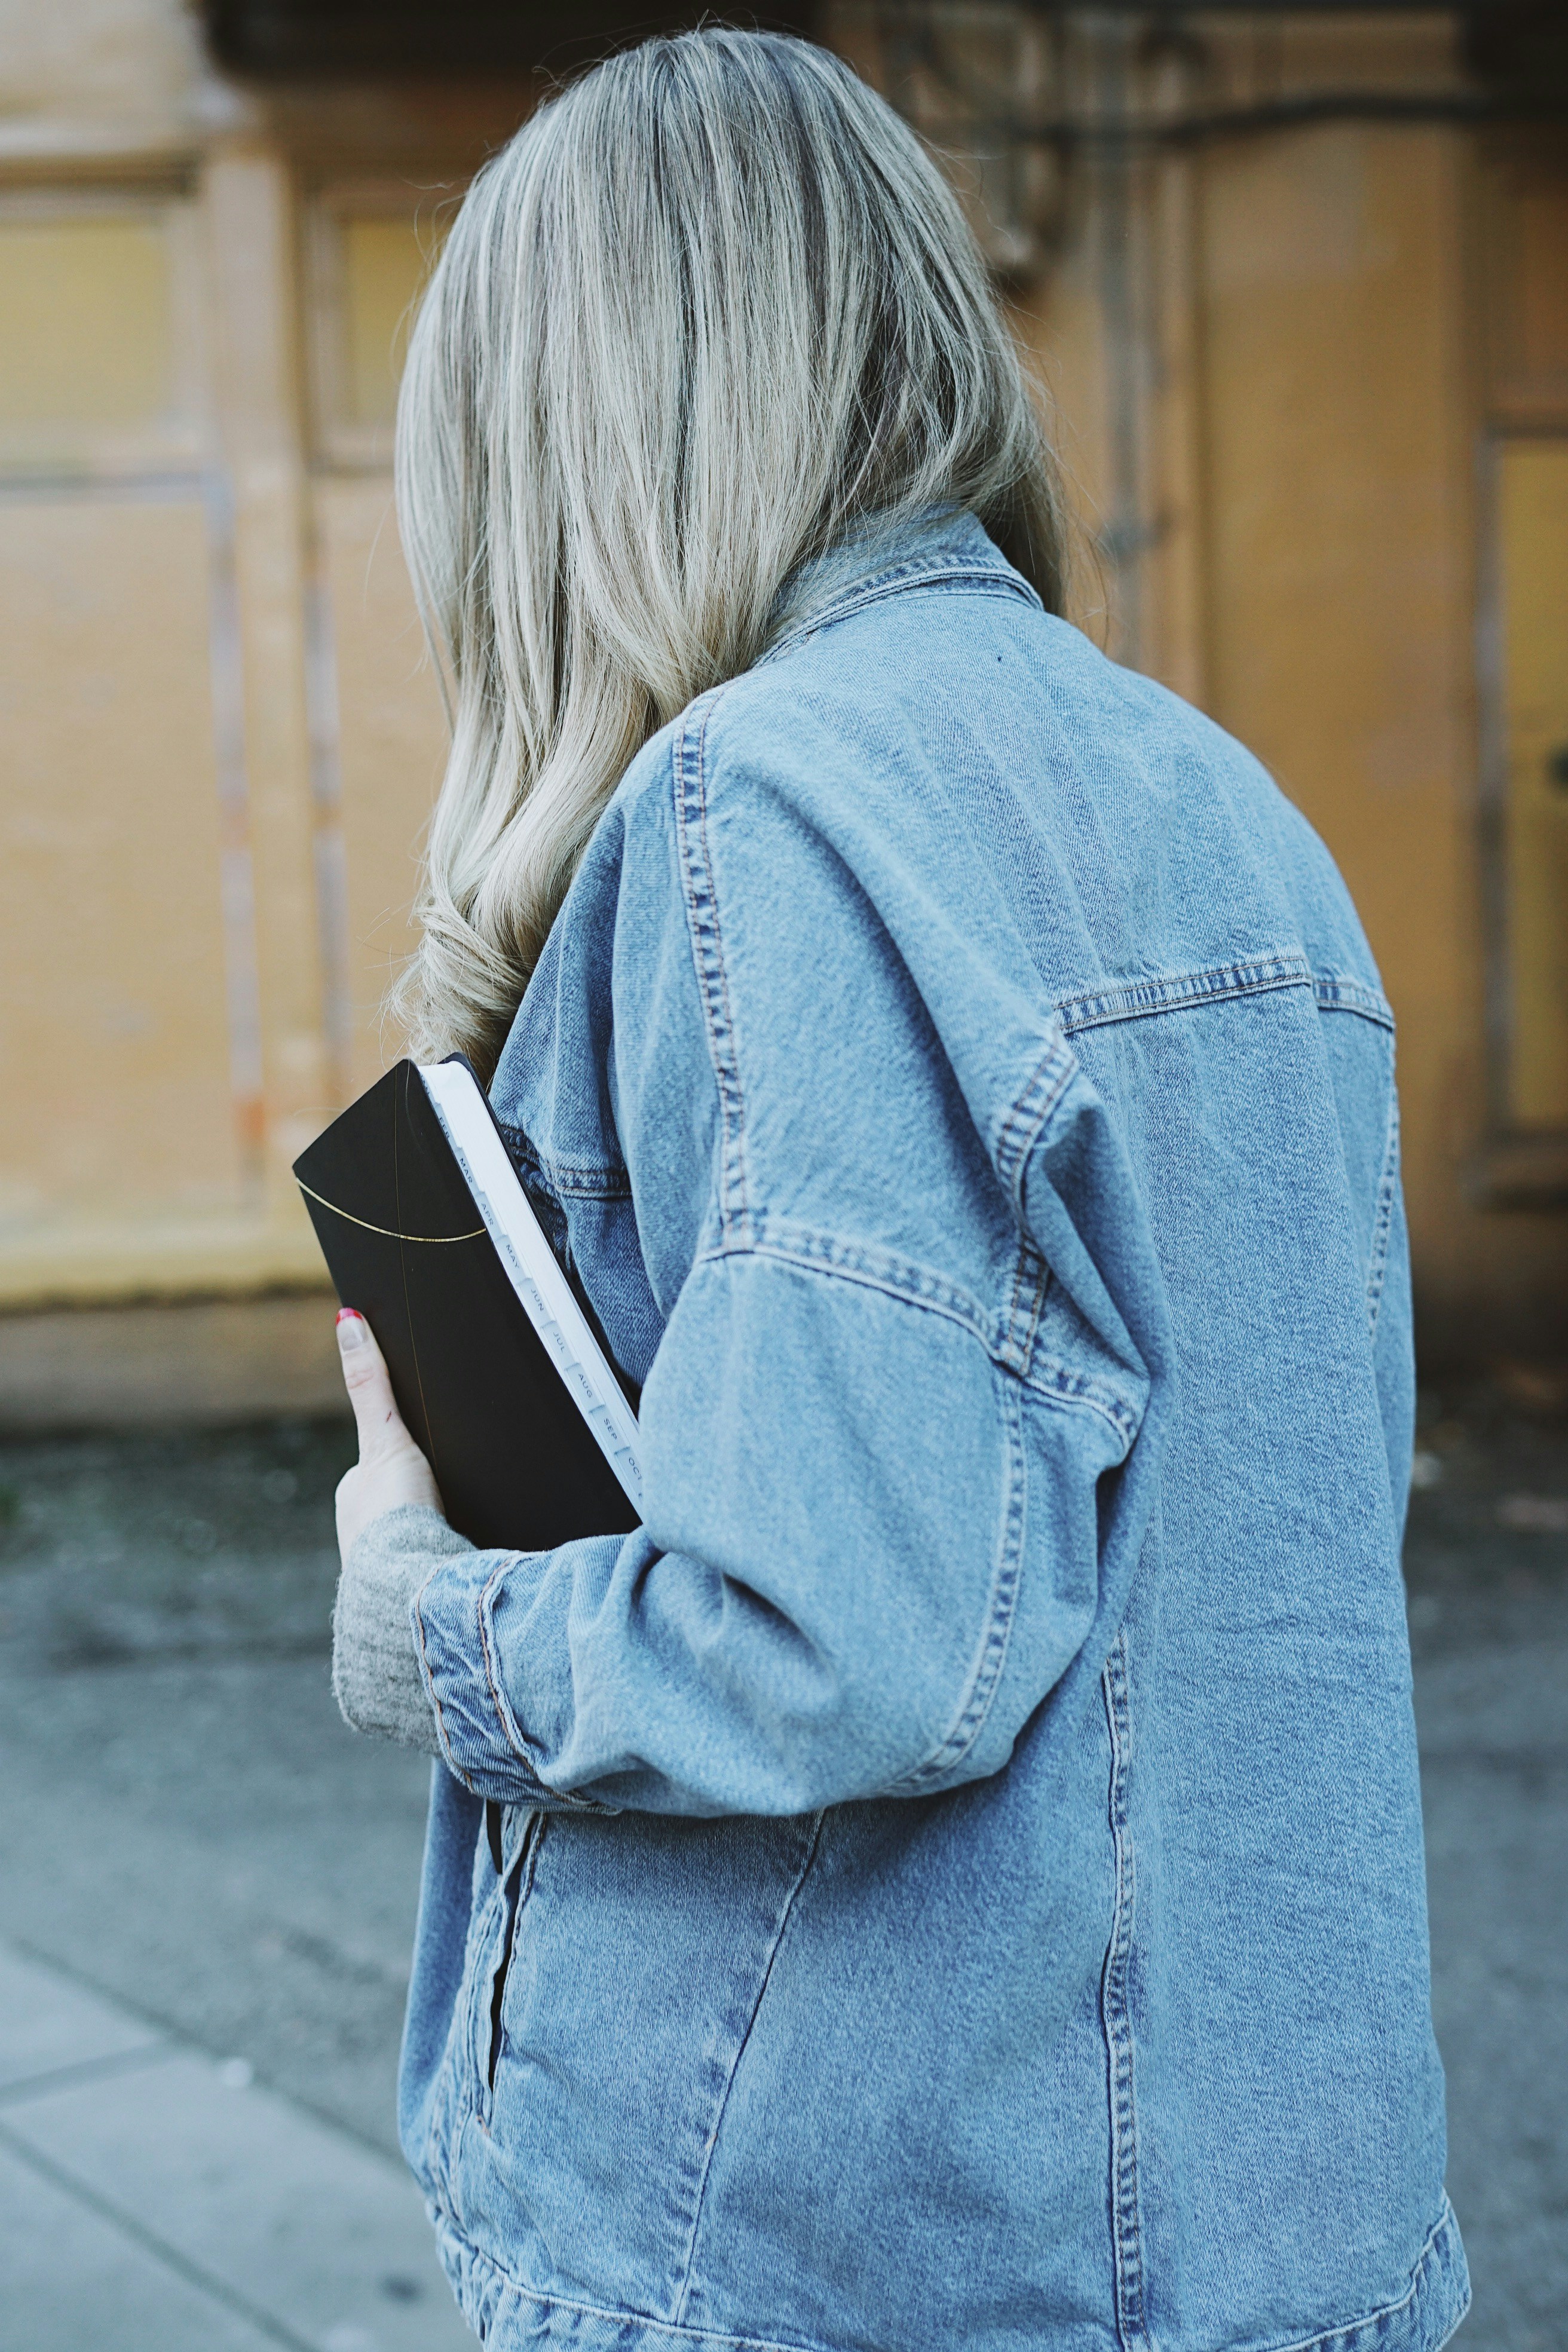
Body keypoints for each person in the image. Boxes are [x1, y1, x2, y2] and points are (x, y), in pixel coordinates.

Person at [327, 29, 1468, 2352]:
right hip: (1270, 2228)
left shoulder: (768, 811)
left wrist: (419, 1615)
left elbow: (830, 1638)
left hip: (853, 2250)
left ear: (567, 438)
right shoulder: (1226, 810)